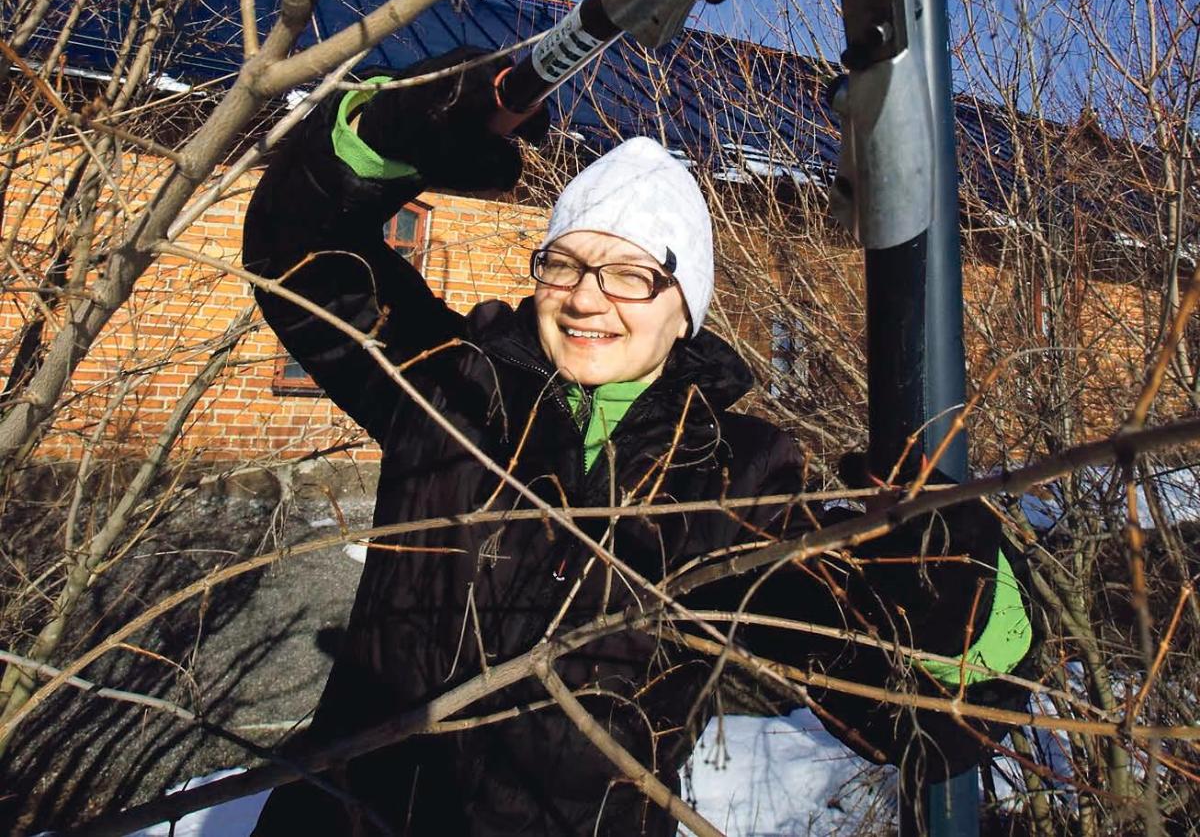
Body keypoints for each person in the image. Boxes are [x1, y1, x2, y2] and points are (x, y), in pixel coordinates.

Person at [243, 48, 1033, 837]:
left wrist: (957, 596)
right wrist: (397, 121)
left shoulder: (733, 478)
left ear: (683, 309)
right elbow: (298, 249)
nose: (587, 298)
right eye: (566, 264)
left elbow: (924, 725)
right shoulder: (451, 386)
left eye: (630, 275)